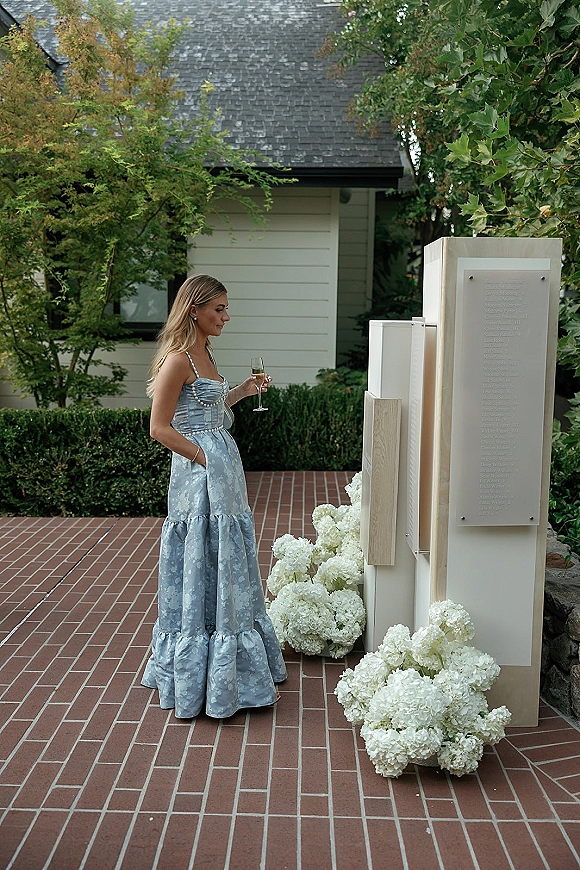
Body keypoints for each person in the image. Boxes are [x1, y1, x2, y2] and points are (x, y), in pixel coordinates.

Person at [141, 274, 287, 718]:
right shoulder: (177, 359)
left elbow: (213, 409)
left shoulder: (205, 350)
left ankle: (233, 662)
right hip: (199, 473)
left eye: (226, 308)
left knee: (227, 555)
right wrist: (204, 459)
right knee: (200, 554)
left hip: (223, 466)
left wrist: (242, 390)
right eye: (218, 309)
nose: (226, 316)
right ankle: (199, 670)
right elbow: (160, 428)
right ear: (194, 310)